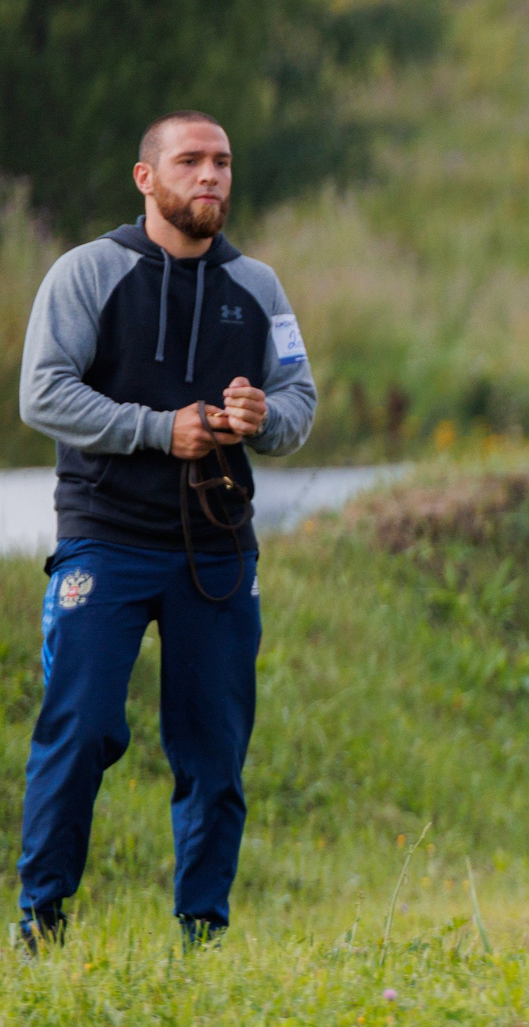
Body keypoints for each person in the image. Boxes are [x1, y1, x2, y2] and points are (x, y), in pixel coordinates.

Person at [14, 112, 316, 950]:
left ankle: (202, 936)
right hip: (103, 540)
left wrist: (262, 416)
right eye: (190, 161)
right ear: (147, 178)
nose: (211, 175)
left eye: (222, 161)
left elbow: (300, 402)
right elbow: (42, 394)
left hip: (216, 549)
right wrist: (158, 428)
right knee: (80, 731)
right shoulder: (87, 272)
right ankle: (40, 921)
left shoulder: (258, 286)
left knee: (213, 753)